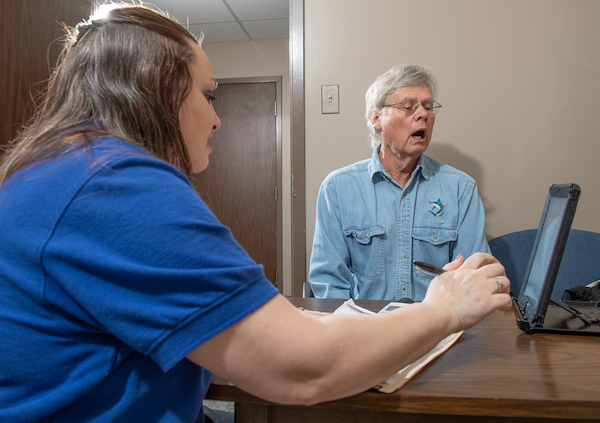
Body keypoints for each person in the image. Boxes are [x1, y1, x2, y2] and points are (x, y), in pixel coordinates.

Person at [0, 4, 512, 423]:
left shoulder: (63, 169)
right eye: (208, 95)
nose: (218, 119)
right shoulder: (116, 186)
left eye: (430, 106)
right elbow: (303, 369)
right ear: (153, 82)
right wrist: (442, 309)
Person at [309, 64, 490, 301]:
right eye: (408, 107)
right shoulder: (337, 189)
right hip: (364, 329)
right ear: (377, 118)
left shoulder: (460, 189)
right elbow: (329, 281)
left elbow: (474, 279)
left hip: (436, 328)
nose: (423, 114)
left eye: (428, 106)